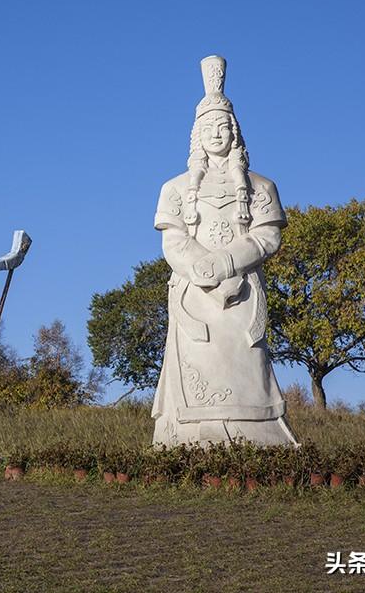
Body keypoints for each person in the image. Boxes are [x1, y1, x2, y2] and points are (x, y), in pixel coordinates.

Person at [152, 56, 297, 446]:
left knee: (246, 364)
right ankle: (182, 439)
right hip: (194, 295)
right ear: (195, 134)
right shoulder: (176, 188)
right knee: (198, 363)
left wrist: (229, 263)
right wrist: (205, 270)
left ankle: (261, 437)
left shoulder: (262, 186)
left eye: (223, 126)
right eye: (208, 127)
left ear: (235, 131)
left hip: (243, 292)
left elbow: (268, 237)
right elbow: (174, 240)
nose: (216, 134)